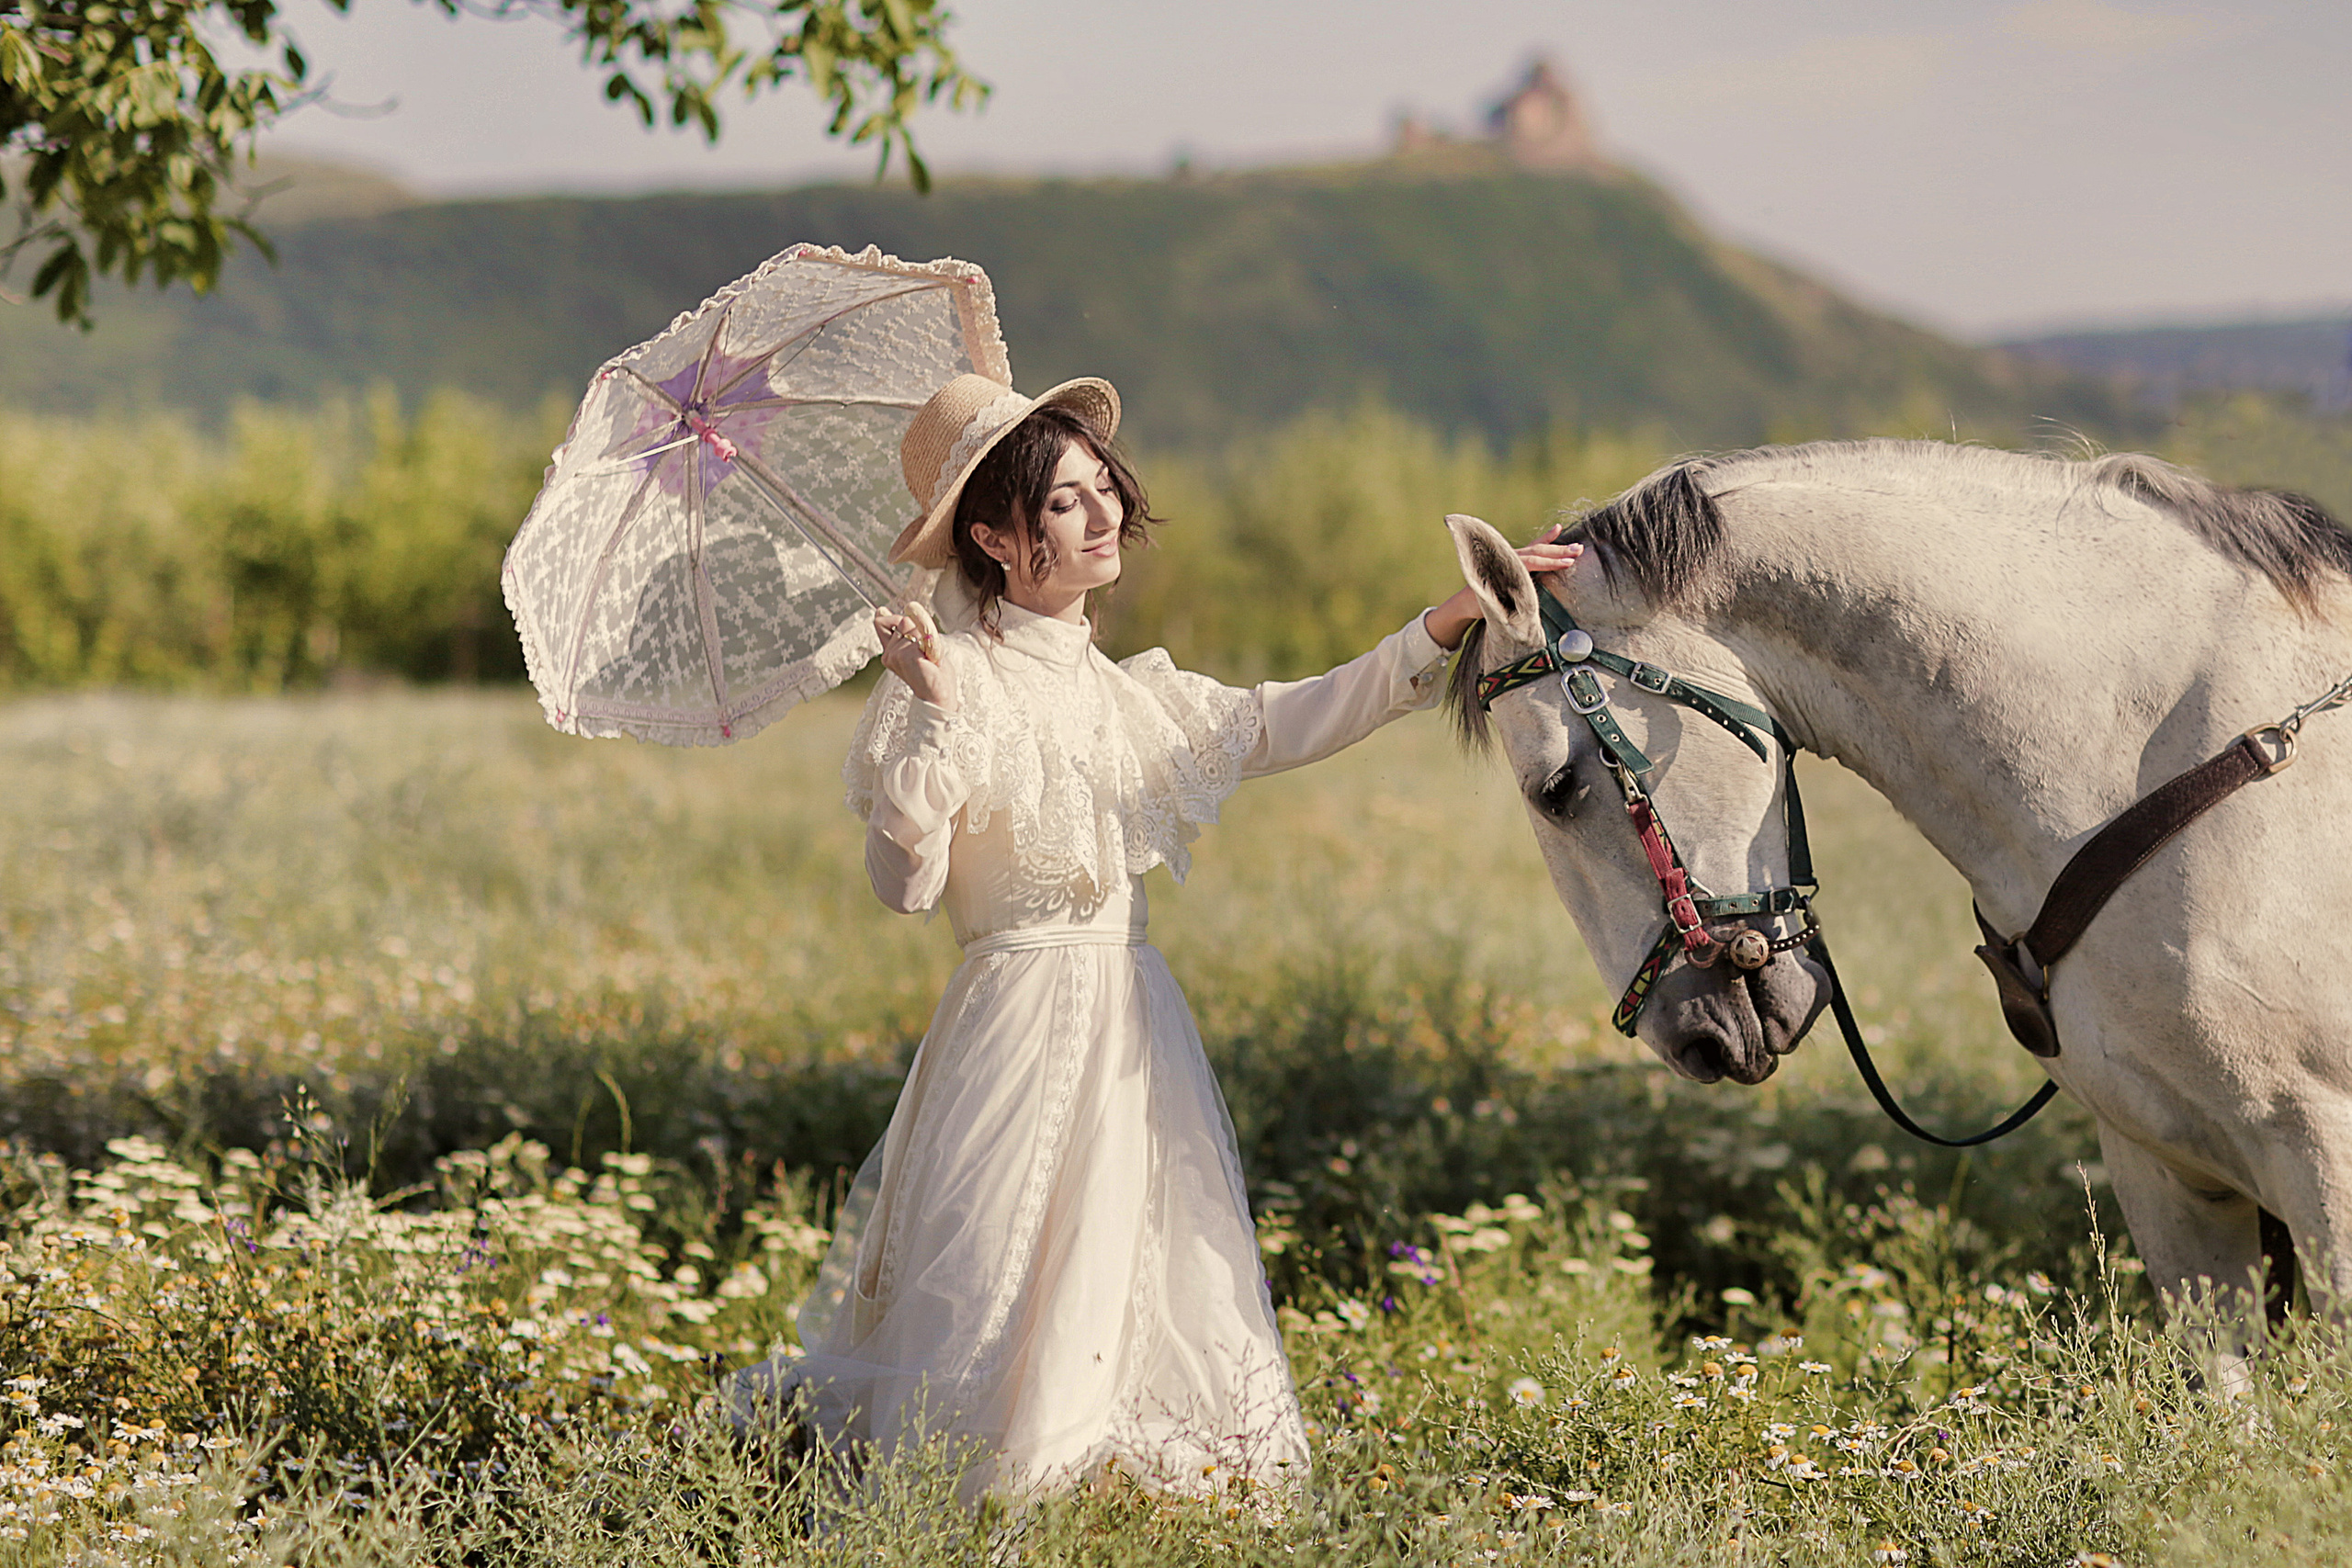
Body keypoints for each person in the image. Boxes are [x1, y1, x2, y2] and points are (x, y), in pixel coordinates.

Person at [729, 372, 1576, 1504]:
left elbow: (1298, 714)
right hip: (1011, 1023)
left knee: (1144, 1252)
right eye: (1065, 502)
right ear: (990, 534)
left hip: (1132, 1017)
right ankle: (981, 1488)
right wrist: (933, 711)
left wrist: (1452, 618)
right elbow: (904, 885)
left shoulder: (1137, 696)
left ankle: (1115, 1483)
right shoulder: (947, 678)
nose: (1104, 514)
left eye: (1102, 489)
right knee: (988, 1269)